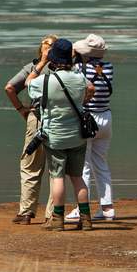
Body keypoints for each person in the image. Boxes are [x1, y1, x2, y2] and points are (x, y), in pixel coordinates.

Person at [25, 38, 95, 231]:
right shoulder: (79, 78)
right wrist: (82, 101)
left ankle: (57, 219)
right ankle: (86, 219)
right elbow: (91, 88)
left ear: (53, 58)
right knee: (77, 178)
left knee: (57, 178)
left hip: (54, 136)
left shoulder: (45, 80)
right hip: (78, 135)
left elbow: (28, 83)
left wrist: (41, 63)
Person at [4, 35, 57, 225]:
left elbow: (10, 88)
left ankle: (26, 212)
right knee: (56, 169)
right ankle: (53, 214)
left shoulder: (31, 68)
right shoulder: (67, 69)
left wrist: (21, 110)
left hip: (36, 119)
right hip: (60, 121)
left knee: (30, 166)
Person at [65, 34, 116, 223]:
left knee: (83, 166)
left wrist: (73, 54)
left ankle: (81, 208)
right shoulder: (109, 67)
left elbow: (67, 69)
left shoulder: (79, 68)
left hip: (88, 119)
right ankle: (108, 208)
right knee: (101, 164)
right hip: (106, 118)